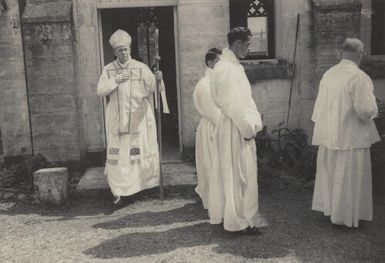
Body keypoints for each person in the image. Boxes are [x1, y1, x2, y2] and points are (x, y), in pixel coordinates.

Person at [311, 38, 380, 227]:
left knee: (333, 172)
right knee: (350, 175)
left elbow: (318, 109)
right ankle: (347, 215)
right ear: (360, 53)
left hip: (331, 134)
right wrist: (375, 110)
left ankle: (333, 211)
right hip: (351, 136)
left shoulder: (329, 74)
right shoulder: (359, 77)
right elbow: (365, 110)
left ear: (342, 52)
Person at [97, 29, 164, 205]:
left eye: (126, 49)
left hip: (137, 119)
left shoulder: (141, 68)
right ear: (114, 52)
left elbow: (153, 88)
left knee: (137, 154)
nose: (124, 53)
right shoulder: (108, 70)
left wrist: (158, 79)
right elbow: (100, 90)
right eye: (120, 50)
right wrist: (116, 80)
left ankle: (139, 187)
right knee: (119, 157)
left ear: (130, 49)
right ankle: (118, 191)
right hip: (117, 120)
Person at [210, 27, 263, 234]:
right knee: (238, 174)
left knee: (236, 172)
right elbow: (233, 105)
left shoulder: (233, 66)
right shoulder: (227, 69)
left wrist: (254, 120)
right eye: (248, 44)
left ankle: (235, 217)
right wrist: (248, 129)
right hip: (235, 126)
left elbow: (245, 100)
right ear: (238, 43)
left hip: (234, 124)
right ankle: (238, 221)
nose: (250, 48)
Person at [193, 48, 222, 219]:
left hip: (219, 126)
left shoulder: (218, 81)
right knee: (212, 164)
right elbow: (213, 112)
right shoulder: (205, 84)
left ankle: (220, 200)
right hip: (213, 127)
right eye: (218, 61)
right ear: (210, 63)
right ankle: (213, 201)